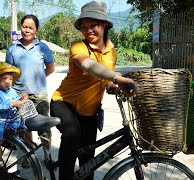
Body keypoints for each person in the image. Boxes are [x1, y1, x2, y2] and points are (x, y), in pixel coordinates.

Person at [49, 1, 139, 179]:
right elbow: (90, 66)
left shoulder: (111, 51)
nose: (88, 30)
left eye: (94, 25)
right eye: (84, 26)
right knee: (73, 134)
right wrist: (118, 78)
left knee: (88, 158)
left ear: (105, 25)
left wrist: (113, 85)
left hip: (90, 110)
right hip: (63, 102)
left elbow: (104, 78)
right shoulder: (78, 47)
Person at [5, 14, 55, 150]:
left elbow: (51, 68)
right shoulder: (12, 48)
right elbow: (8, 73)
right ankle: (27, 155)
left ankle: (47, 156)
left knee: (44, 128)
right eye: (24, 27)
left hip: (39, 95)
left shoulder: (42, 47)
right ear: (21, 28)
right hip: (19, 95)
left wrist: (38, 77)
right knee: (24, 126)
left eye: (31, 28)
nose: (27, 30)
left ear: (36, 31)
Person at [0, 62, 28, 161]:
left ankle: (18, 141)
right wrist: (12, 104)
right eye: (4, 78)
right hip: (2, 120)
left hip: (13, 118)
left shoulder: (11, 90)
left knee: (24, 124)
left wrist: (22, 98)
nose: (8, 82)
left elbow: (16, 98)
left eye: (10, 79)